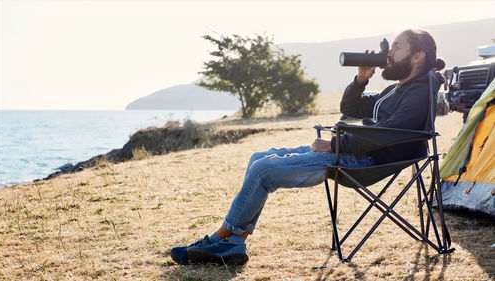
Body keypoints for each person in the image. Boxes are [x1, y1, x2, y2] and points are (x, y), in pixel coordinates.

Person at [170, 29, 445, 265]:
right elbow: (350, 108)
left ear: (418, 56)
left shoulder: (419, 91)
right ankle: (235, 242)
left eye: (396, 47)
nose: (388, 52)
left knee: (264, 171)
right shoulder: (398, 88)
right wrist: (361, 79)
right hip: (357, 152)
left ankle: (221, 237)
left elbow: (388, 134)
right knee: (258, 157)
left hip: (367, 161)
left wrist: (334, 144)